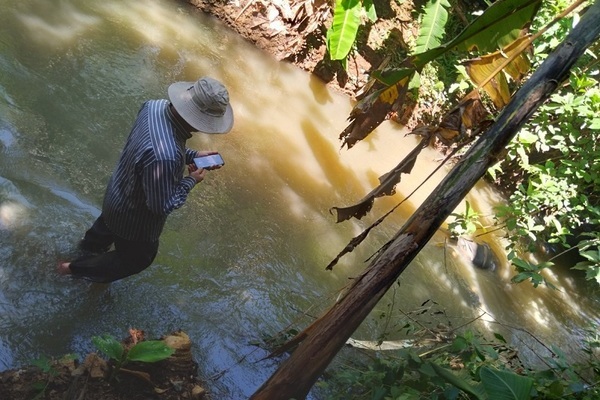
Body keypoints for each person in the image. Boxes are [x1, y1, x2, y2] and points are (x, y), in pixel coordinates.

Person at [57, 76, 234, 283]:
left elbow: (152, 149)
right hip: (134, 220)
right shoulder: (166, 157)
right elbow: (162, 205)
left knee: (98, 239)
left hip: (116, 193)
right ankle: (71, 269)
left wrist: (193, 156)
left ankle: (82, 253)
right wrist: (191, 180)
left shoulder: (154, 107)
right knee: (136, 259)